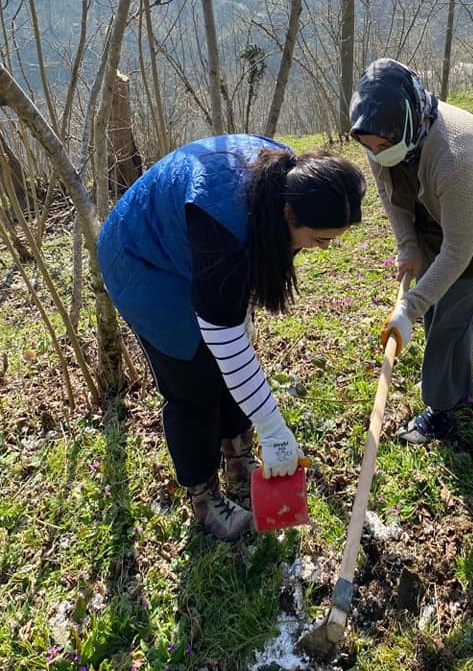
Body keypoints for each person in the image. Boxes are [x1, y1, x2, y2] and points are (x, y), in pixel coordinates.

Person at [97, 135, 367, 541]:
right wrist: (274, 428)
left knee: (226, 361)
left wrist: (238, 319)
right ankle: (203, 493)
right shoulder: (224, 222)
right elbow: (226, 339)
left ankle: (237, 454)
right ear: (290, 213)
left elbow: (235, 319)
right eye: (321, 239)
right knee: (192, 381)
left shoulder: (287, 178)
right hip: (143, 261)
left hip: (191, 245)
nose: (323, 250)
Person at [349, 58, 473, 445]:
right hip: (433, 212)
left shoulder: (455, 154)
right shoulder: (381, 134)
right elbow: (389, 193)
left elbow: (460, 248)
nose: (375, 154)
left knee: (447, 316)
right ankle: (461, 386)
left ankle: (442, 410)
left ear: (412, 124)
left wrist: (409, 307)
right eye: (369, 148)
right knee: (443, 305)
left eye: (382, 147)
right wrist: (409, 246)